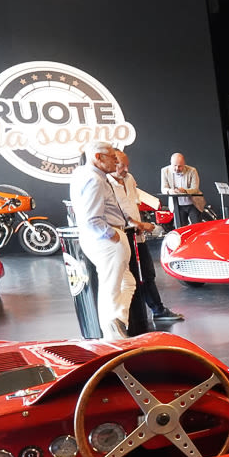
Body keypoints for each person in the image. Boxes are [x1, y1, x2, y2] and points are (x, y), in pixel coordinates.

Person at [70, 141, 136, 339]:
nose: (116, 163)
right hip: (107, 240)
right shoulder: (95, 180)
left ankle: (117, 323)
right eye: (113, 158)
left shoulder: (81, 174)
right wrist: (112, 234)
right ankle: (114, 333)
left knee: (125, 282)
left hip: (96, 239)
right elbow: (91, 219)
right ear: (98, 157)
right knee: (112, 287)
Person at [110, 152, 182, 324]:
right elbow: (115, 213)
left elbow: (132, 205)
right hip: (121, 238)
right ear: (112, 163)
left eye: (127, 165)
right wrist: (139, 224)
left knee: (148, 273)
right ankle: (129, 317)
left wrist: (140, 225)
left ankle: (157, 310)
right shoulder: (106, 184)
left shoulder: (129, 179)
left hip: (137, 235)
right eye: (122, 166)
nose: (126, 169)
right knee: (128, 279)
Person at [160, 152, 205, 227]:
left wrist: (184, 191)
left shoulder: (192, 170)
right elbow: (164, 188)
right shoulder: (165, 171)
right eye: (175, 166)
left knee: (197, 227)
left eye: (180, 166)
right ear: (171, 163)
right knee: (180, 228)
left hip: (193, 204)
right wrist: (170, 191)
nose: (177, 168)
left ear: (184, 164)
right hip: (177, 205)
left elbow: (195, 189)